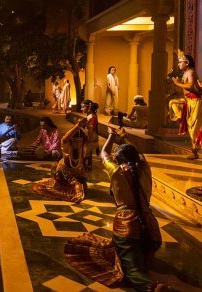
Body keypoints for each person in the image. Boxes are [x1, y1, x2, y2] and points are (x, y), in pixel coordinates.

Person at [64, 129, 164, 292]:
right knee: (141, 254)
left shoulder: (117, 171)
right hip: (152, 228)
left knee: (131, 271)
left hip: (128, 226)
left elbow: (104, 153)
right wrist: (124, 137)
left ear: (118, 160)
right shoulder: (145, 169)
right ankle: (145, 257)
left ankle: (152, 287)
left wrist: (111, 135)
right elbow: (140, 155)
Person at [32, 118, 89, 202]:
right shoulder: (67, 148)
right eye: (75, 141)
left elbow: (89, 138)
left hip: (74, 175)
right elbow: (64, 140)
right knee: (76, 191)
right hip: (63, 176)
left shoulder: (82, 149)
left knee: (82, 187)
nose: (77, 144)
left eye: (80, 141)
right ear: (71, 141)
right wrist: (78, 125)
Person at [171, 51, 202, 160]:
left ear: (187, 63)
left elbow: (190, 86)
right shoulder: (186, 72)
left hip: (196, 101)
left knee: (194, 128)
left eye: (180, 62)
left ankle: (195, 151)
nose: (178, 64)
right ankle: (179, 116)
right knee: (172, 102)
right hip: (189, 101)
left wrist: (177, 83)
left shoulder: (191, 72)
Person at [81, 100, 100, 171]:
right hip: (91, 136)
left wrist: (79, 127)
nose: (81, 109)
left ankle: (83, 169)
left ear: (88, 107)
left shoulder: (92, 117)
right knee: (88, 154)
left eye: (83, 107)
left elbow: (90, 129)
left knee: (86, 155)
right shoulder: (91, 115)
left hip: (90, 137)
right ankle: (88, 167)